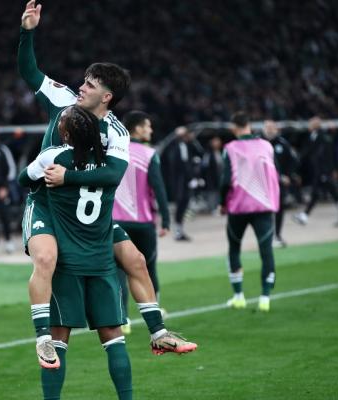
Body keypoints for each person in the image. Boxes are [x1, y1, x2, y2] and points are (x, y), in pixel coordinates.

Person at [18, 0, 196, 368]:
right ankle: (43, 340)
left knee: (135, 259)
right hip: (49, 205)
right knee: (46, 258)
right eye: (84, 81)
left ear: (107, 97)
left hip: (88, 212)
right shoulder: (63, 100)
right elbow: (29, 70)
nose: (81, 87)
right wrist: (27, 32)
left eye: (90, 84)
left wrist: (69, 176)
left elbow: (114, 175)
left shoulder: (116, 131)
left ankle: (159, 332)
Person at [18, 105, 140, 400]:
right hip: (101, 263)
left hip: (68, 263)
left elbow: (23, 180)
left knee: (56, 342)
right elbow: (113, 175)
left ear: (66, 133)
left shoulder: (54, 158)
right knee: (114, 339)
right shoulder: (108, 166)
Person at [113, 111, 171, 329]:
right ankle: (155, 312)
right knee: (148, 267)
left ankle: (123, 319)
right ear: (137, 128)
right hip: (143, 222)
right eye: (147, 126)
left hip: (117, 221)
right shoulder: (149, 153)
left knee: (119, 270)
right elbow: (158, 188)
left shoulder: (113, 151)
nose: (151, 130)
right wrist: (166, 220)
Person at [220, 113, 280, 312]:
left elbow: (225, 180)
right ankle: (265, 298)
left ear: (234, 127)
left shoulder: (230, 148)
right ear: (249, 125)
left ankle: (239, 296)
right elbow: (275, 172)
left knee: (234, 248)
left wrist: (222, 203)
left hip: (238, 207)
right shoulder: (266, 146)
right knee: (266, 250)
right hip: (263, 206)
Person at [293, 117, 338, 227]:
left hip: (323, 171)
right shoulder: (314, 136)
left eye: (311, 123)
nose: (309, 125)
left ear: (315, 125)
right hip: (319, 170)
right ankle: (305, 215)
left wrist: (329, 170)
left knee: (333, 192)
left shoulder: (323, 137)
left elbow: (327, 154)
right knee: (317, 194)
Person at [262, 120, 298, 248]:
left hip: (278, 183)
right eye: (267, 127)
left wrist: (288, 175)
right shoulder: (258, 143)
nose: (269, 130)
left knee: (279, 209)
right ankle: (266, 236)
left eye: (272, 127)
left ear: (276, 129)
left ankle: (277, 235)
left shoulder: (283, 143)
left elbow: (292, 161)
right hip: (262, 183)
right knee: (264, 211)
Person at [166, 126, 202, 241]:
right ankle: (178, 232)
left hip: (181, 182)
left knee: (182, 206)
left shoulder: (184, 146)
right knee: (181, 206)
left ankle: (179, 231)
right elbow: (183, 165)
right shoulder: (181, 147)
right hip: (181, 183)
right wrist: (190, 178)